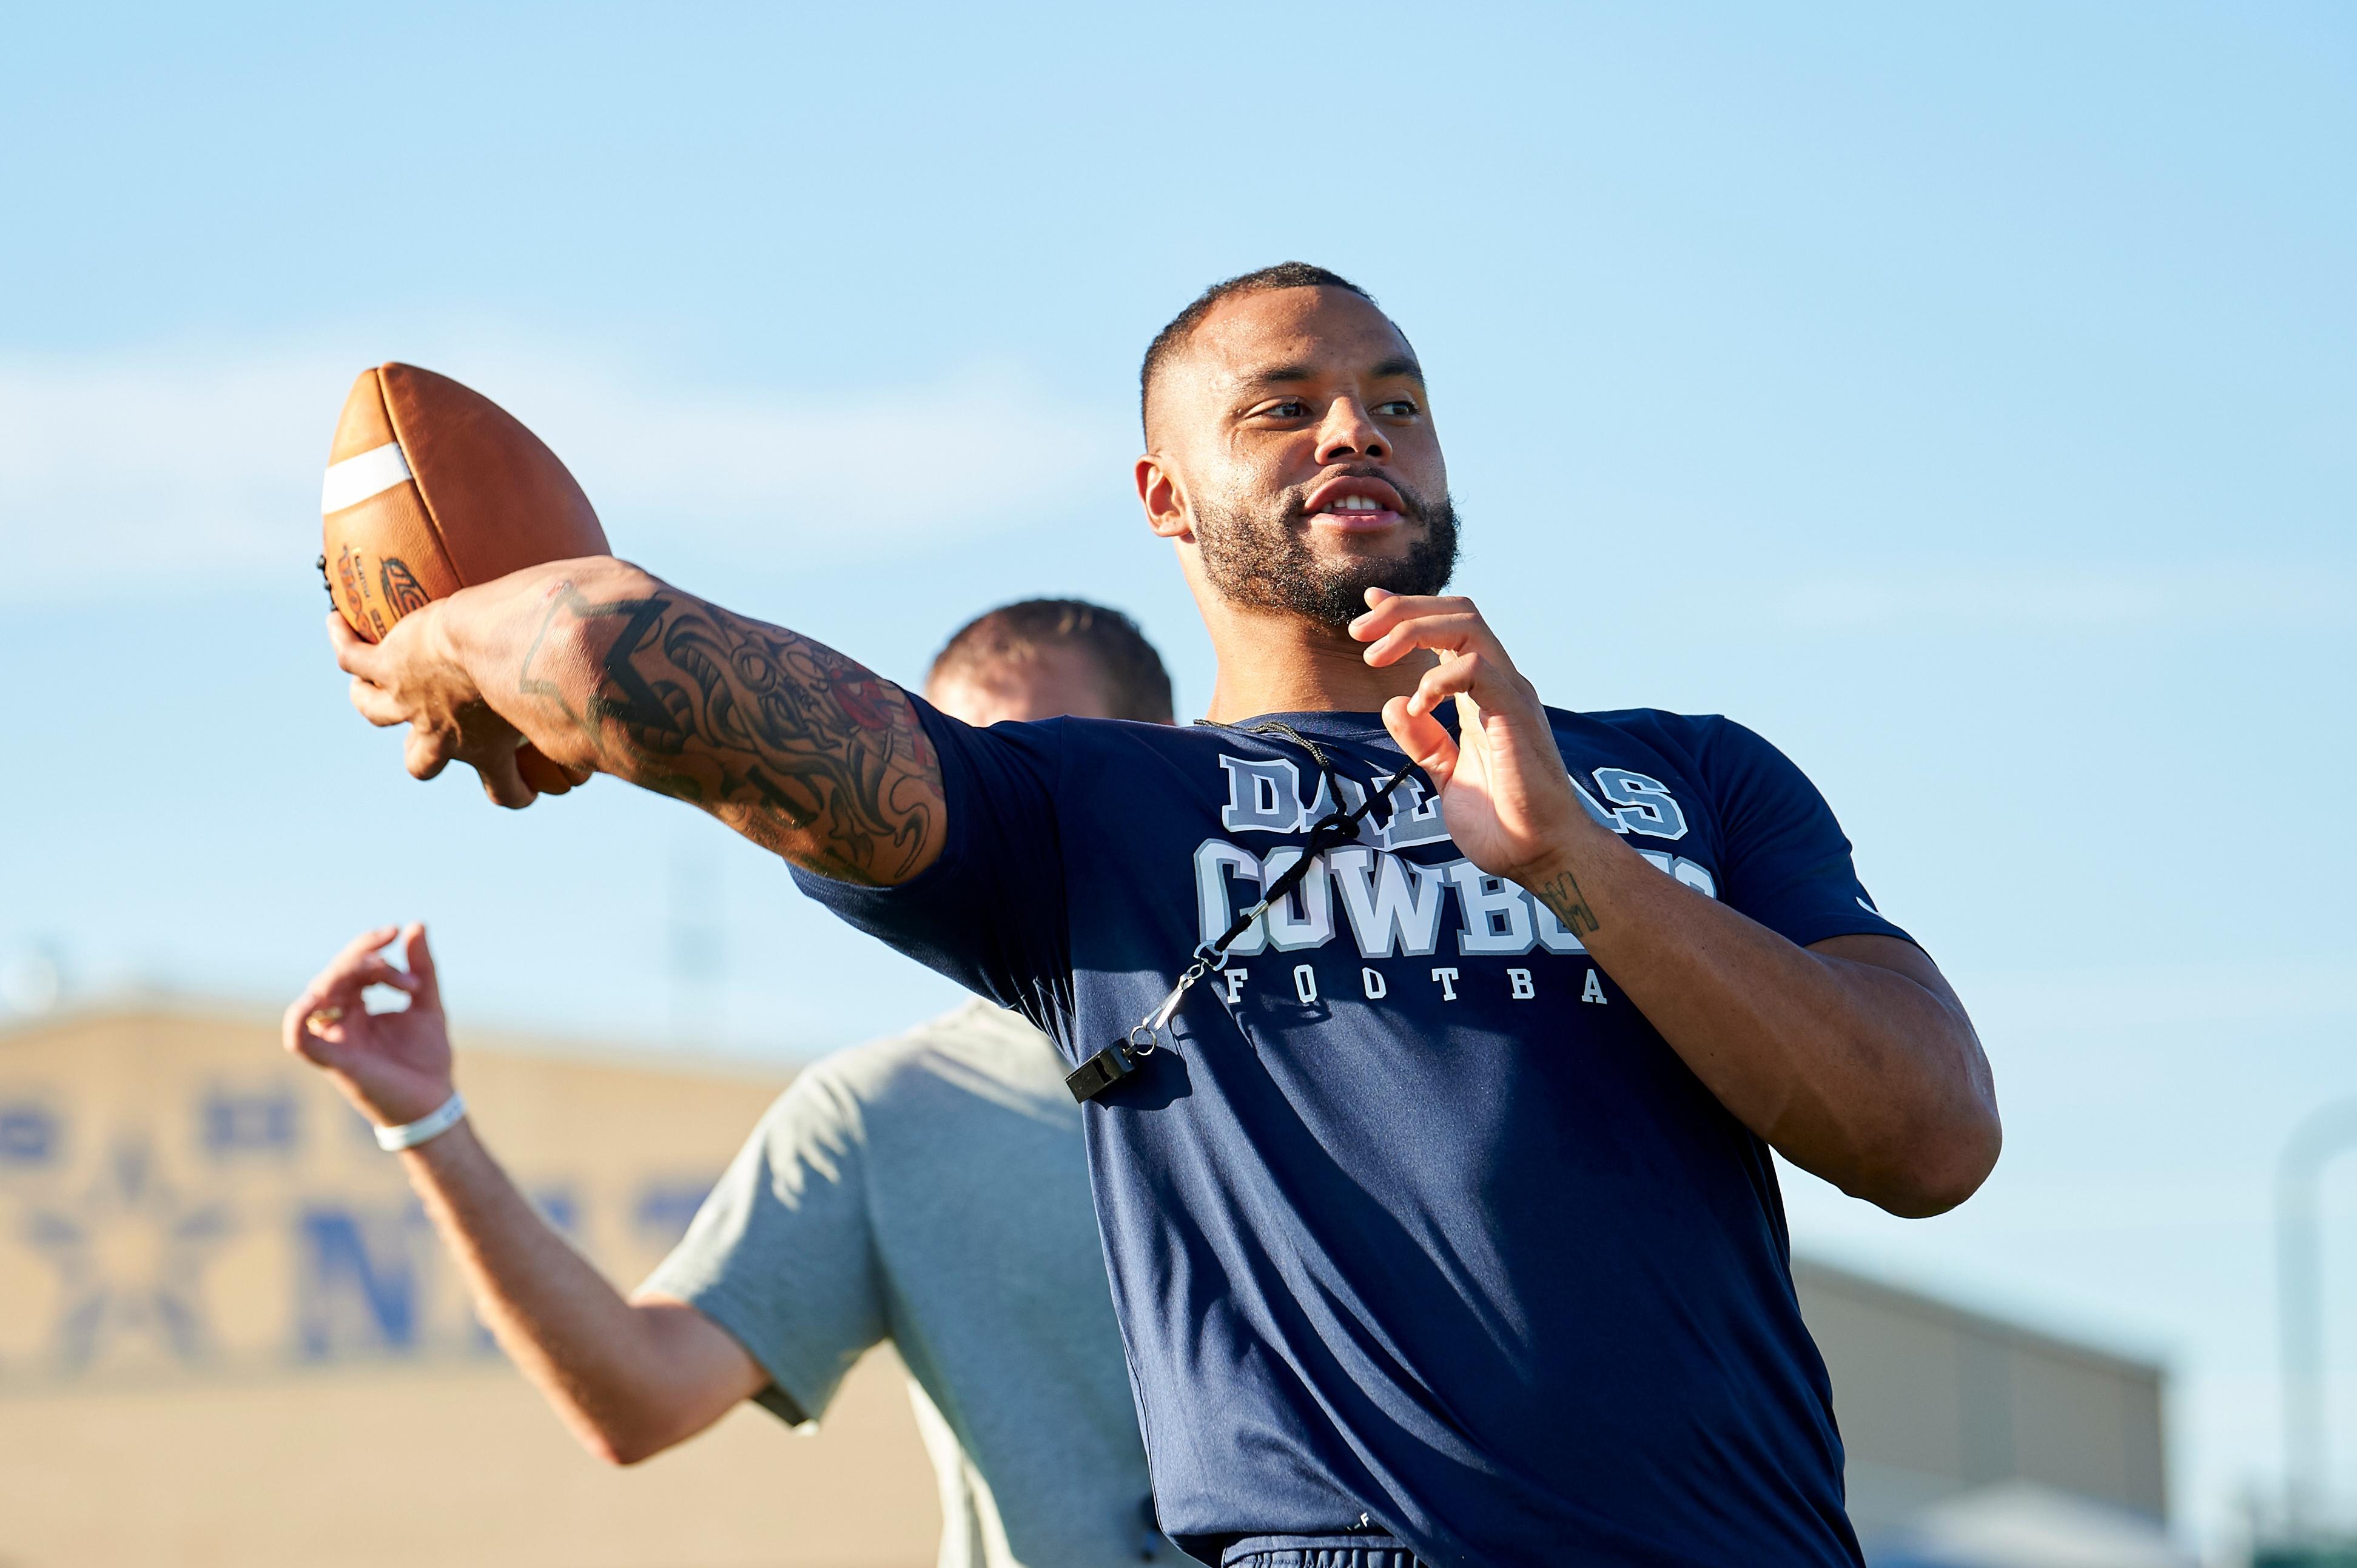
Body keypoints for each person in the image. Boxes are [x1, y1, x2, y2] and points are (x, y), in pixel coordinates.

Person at [329, 263, 2003, 1567]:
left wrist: (1572, 859)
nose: (1355, 430)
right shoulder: (1084, 816)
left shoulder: (1687, 779)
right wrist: (441, 640)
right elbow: (610, 654)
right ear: (1160, 497)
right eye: (1282, 407)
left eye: (1395, 402)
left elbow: (1930, 1139)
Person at [290, 600, 1182, 1568]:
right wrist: (428, 1121)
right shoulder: (887, 1112)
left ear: (1150, 762)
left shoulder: (1334, 1009)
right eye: (959, 769)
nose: (991, 800)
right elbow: (642, 1395)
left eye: (1024, 762)